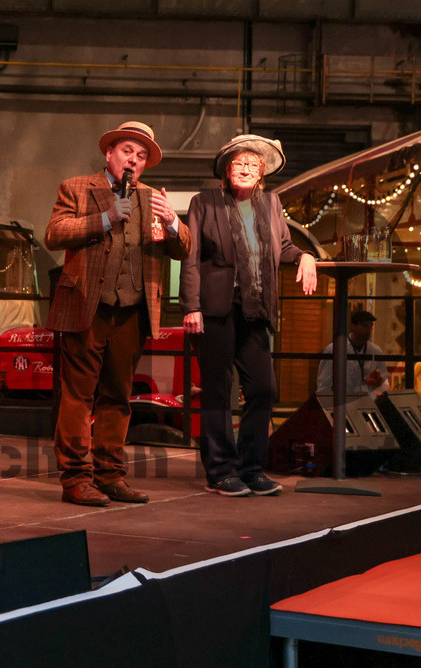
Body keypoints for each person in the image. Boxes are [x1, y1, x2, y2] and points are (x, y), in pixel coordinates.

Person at [45, 121, 191, 507]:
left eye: (142, 156)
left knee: (119, 396)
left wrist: (173, 222)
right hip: (85, 307)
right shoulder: (77, 187)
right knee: (79, 396)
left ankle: (110, 476)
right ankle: (76, 478)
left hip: (132, 311)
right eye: (127, 151)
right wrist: (106, 218)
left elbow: (185, 249)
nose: (134, 160)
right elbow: (54, 233)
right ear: (109, 153)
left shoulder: (152, 199)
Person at [180, 135, 318, 497]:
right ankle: (221, 470)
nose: (245, 169)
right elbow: (191, 256)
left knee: (264, 388)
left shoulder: (270, 203)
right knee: (218, 389)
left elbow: (284, 246)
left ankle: (252, 467)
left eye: (253, 165)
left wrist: (305, 255)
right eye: (239, 163)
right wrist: (191, 306)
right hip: (215, 309)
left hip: (255, 308)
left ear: (261, 175)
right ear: (227, 170)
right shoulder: (204, 201)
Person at [317, 309, 388, 398]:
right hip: (343, 403)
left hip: (368, 402)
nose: (369, 330)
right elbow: (324, 385)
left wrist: (378, 381)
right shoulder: (334, 349)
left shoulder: (376, 351)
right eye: (364, 325)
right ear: (353, 326)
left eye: (371, 326)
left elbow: (383, 382)